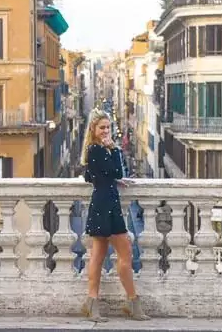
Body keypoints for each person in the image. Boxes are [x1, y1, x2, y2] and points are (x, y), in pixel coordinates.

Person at [79, 108, 150, 322]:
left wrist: (112, 178)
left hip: (105, 202)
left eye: (108, 127)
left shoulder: (93, 150)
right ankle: (131, 302)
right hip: (106, 205)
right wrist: (114, 150)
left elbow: (92, 176)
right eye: (102, 128)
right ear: (93, 129)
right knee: (124, 251)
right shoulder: (99, 150)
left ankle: (93, 304)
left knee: (99, 256)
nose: (106, 131)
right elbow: (117, 171)